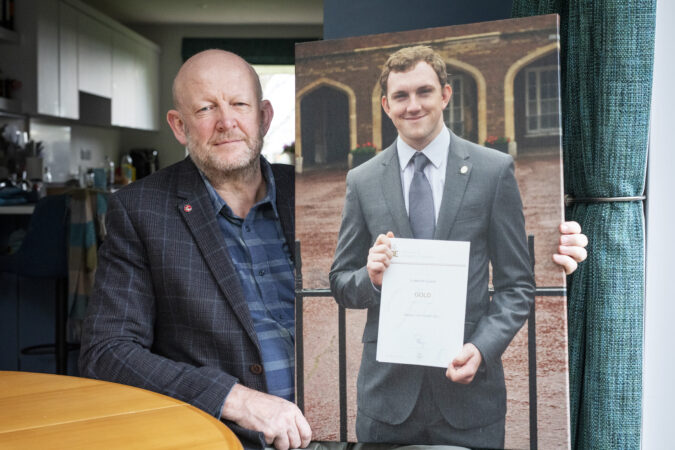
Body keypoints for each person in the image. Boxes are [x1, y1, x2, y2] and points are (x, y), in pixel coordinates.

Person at [329, 46, 587, 448]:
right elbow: (341, 283)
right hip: (387, 402)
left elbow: (517, 286)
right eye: (400, 96)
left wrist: (482, 349)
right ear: (385, 105)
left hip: (470, 402)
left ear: (445, 95)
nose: (413, 105)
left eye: (424, 92)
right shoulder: (361, 180)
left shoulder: (492, 170)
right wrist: (371, 277)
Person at [79, 50, 311, 450]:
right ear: (179, 126)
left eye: (240, 104)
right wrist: (236, 399)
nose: (226, 122)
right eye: (206, 108)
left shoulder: (318, 193)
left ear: (265, 116)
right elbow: (107, 352)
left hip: (351, 430)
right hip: (229, 438)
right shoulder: (140, 210)